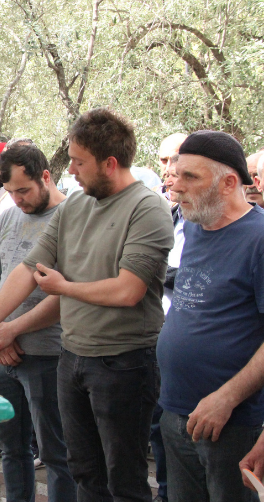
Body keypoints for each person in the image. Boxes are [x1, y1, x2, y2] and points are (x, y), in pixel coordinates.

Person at [0, 107, 174, 502]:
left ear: (109, 164)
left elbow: (128, 291)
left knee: (123, 478)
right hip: (73, 358)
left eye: (79, 162)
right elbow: (25, 272)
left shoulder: (148, 208)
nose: (71, 170)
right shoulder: (76, 206)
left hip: (123, 361)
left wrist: (65, 287)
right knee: (84, 471)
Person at [157, 130, 264, 502]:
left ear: (229, 183)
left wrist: (227, 398)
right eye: (175, 174)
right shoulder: (195, 227)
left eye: (190, 177)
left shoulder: (259, 238)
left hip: (231, 422)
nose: (175, 187)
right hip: (175, 411)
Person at [0, 143, 75, 502]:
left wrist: (11, 329)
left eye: (24, 190)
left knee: (56, 453)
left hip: (48, 353)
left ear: (46, 176)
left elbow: (66, 295)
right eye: (11, 192)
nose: (17, 200)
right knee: (10, 447)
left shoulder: (71, 218)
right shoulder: (7, 217)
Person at [151, 133, 186, 502]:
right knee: (160, 429)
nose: (169, 171)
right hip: (161, 340)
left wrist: (159, 272)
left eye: (174, 160)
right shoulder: (170, 212)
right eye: (162, 162)